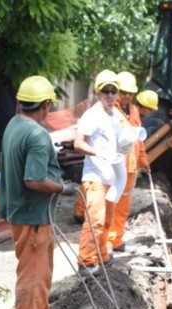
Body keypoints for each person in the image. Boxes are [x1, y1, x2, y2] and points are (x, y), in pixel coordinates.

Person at [0, 75, 71, 309]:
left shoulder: (14, 124)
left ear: (21, 103)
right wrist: (63, 188)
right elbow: (33, 180)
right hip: (33, 215)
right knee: (34, 272)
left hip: (23, 212)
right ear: (46, 104)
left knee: (40, 270)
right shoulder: (37, 135)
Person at [73, 70, 123, 274]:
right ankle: (86, 261)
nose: (110, 95)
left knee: (107, 220)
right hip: (94, 177)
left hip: (110, 177)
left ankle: (101, 255)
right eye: (106, 91)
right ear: (99, 93)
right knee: (95, 219)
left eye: (113, 91)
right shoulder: (93, 115)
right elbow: (78, 143)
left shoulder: (116, 115)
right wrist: (98, 153)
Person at [106, 71, 150, 254]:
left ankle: (116, 240)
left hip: (130, 168)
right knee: (110, 205)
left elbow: (138, 140)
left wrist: (143, 160)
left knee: (123, 207)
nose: (127, 96)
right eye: (124, 92)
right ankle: (106, 242)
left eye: (130, 93)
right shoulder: (110, 112)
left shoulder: (132, 111)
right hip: (114, 167)